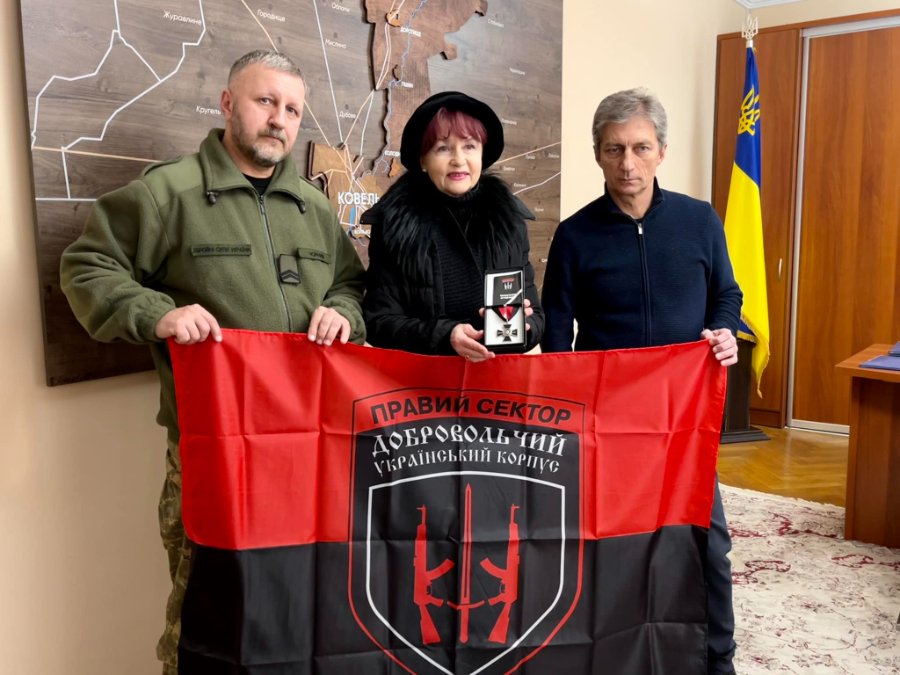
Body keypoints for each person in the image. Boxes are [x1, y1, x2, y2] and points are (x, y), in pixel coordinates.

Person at [59, 49, 366, 674]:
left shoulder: (314, 209)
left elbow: (351, 287)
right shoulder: (167, 192)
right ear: (228, 103)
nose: (279, 119)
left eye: (292, 110)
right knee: (206, 616)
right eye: (265, 101)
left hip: (307, 449)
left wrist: (343, 311)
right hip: (213, 450)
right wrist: (157, 314)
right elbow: (87, 267)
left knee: (300, 610)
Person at [540, 87, 741, 675]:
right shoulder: (574, 235)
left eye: (640, 148)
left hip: (684, 419)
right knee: (611, 545)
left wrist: (724, 330)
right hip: (609, 422)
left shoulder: (699, 221)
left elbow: (727, 295)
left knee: (707, 543)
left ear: (661, 152)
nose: (627, 163)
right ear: (597, 155)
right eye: (614, 149)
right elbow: (557, 332)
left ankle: (718, 659)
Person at [362, 91, 543, 357]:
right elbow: (377, 322)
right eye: (443, 148)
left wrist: (524, 329)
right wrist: (445, 336)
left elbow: (536, 315)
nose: (458, 159)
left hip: (494, 378)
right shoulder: (394, 226)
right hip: (424, 380)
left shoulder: (510, 223)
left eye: (469, 146)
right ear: (423, 160)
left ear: (482, 154)